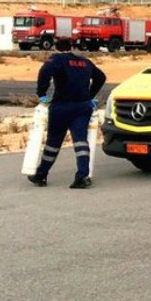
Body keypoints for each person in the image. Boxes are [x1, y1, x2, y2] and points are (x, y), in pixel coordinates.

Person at [27, 37, 107, 189]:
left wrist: (41, 93)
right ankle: (82, 176)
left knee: (53, 142)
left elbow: (44, 72)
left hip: (61, 106)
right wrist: (90, 96)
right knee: (81, 141)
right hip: (82, 107)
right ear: (71, 47)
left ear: (55, 47)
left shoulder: (56, 59)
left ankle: (41, 175)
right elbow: (101, 77)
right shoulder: (85, 62)